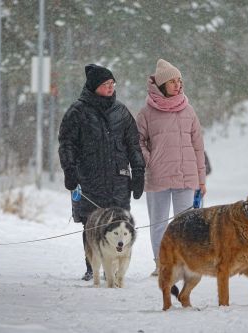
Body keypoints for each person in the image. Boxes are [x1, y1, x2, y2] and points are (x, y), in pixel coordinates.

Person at [58, 64, 145, 281]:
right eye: (106, 84)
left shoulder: (121, 112)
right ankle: (93, 265)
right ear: (94, 87)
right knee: (92, 223)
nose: (110, 88)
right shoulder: (77, 112)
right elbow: (67, 143)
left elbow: (133, 144)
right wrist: (69, 169)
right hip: (89, 180)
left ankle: (114, 268)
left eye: (112, 84)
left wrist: (139, 170)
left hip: (118, 180)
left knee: (119, 223)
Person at [136, 59, 206, 276]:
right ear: (161, 85)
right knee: (159, 223)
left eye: (179, 81)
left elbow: (198, 147)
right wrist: (151, 160)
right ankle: (162, 263)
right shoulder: (146, 112)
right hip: (158, 177)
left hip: (186, 177)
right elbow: (137, 142)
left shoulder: (188, 110)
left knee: (186, 224)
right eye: (172, 81)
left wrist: (201, 180)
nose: (177, 85)